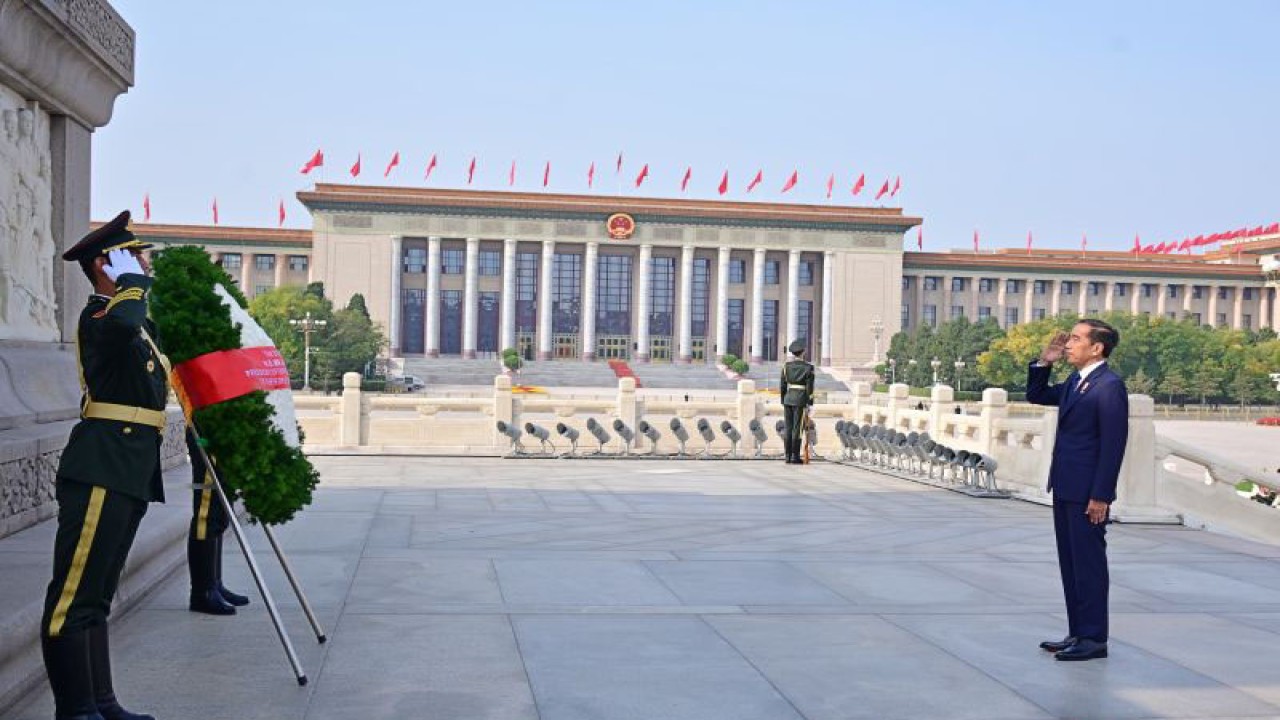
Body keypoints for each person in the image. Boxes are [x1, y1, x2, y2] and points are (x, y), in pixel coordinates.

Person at [43, 210, 163, 720]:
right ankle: (74, 709)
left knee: (98, 594)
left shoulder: (131, 321)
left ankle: (101, 702)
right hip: (100, 466)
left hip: (127, 465)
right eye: (133, 257)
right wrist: (128, 286)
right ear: (105, 265)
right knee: (74, 595)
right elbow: (123, 322)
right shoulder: (102, 317)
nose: (143, 265)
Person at [1026, 319, 1128, 662]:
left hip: (1088, 493)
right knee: (1071, 564)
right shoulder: (1077, 381)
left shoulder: (1109, 386)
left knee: (1089, 565)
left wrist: (1101, 496)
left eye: (1075, 339)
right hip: (1066, 484)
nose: (1068, 343)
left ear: (1096, 348)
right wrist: (1045, 362)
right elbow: (1037, 394)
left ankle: (1094, 638)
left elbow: (1113, 445)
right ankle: (1078, 632)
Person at [186, 430, 250, 615]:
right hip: (205, 434)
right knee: (207, 513)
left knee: (220, 512)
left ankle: (214, 583)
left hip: (222, 431)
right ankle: (202, 592)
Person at [779, 340, 815, 464]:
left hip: (788, 399)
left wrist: (783, 400)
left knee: (788, 427)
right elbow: (810, 388)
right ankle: (795, 456)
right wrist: (810, 403)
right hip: (800, 400)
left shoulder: (786, 367)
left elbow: (783, 386)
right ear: (803, 352)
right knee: (797, 429)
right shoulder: (808, 367)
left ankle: (787, 456)